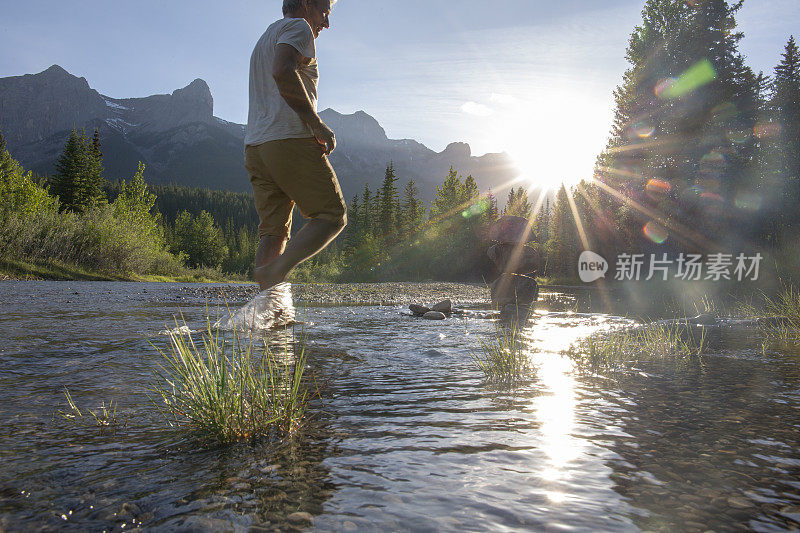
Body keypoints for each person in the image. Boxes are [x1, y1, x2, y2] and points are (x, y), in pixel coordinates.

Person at [245, 0, 346, 291]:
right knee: (331, 216)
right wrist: (315, 123)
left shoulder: (266, 36)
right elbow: (282, 70)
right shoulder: (298, 27)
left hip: (255, 147)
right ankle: (274, 272)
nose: (326, 23)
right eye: (324, 12)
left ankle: (267, 312)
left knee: (274, 232)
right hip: (288, 139)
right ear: (305, 4)